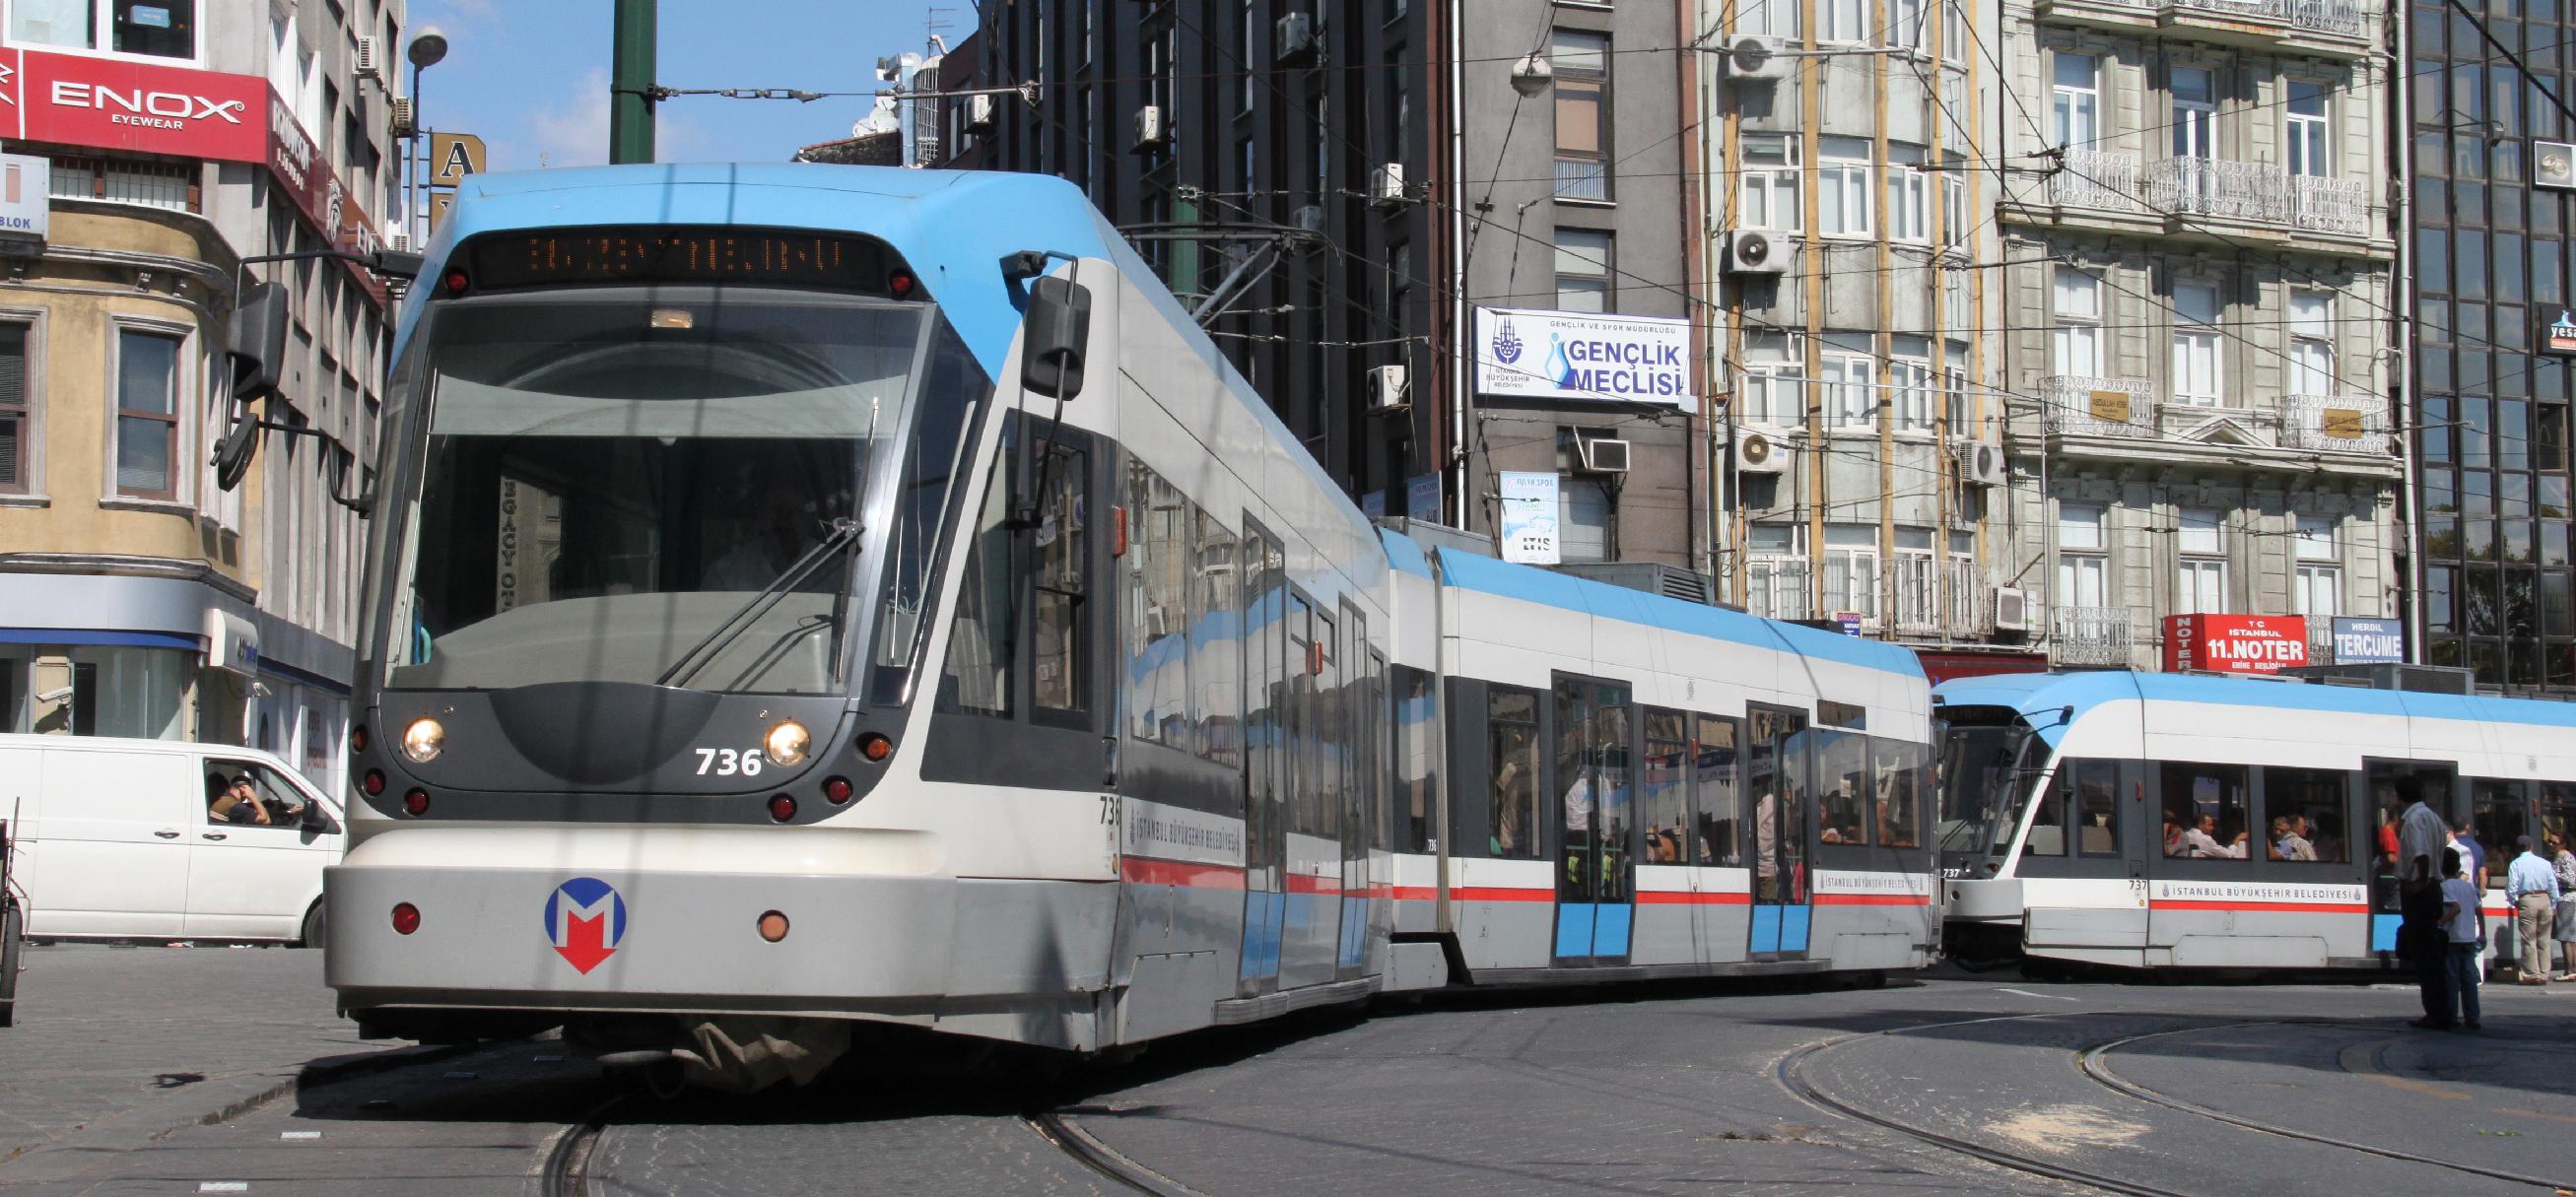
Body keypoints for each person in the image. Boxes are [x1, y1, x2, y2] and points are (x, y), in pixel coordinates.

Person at [2397, 777, 2454, 1029]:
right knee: (2432, 955)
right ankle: (2442, 1011)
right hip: (2434, 888)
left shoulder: (2413, 819)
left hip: (2421, 889)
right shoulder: (2433, 816)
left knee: (2424, 956)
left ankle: (2436, 1013)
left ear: (2399, 797)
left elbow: (2421, 854)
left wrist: (2420, 882)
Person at [2507, 833, 2562, 984]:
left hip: (2527, 899)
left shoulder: (2515, 864)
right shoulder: (2544, 863)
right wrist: (2553, 904)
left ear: (2518, 849)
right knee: (2544, 939)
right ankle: (2544, 973)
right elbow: (2552, 885)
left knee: (2528, 939)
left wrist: (2515, 902)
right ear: (2532, 847)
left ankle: (2532, 974)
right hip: (2544, 899)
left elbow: (2512, 888)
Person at [2441, 847, 2483, 1031]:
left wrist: (2438, 922)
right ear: (2458, 866)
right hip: (2469, 937)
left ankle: (2450, 1015)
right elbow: (2479, 911)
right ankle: (2472, 1017)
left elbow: (2455, 908)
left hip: (2452, 938)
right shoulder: (2468, 887)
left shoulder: (2444, 886)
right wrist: (2483, 932)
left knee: (2451, 979)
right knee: (2469, 980)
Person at [2551, 833, 2576, 981]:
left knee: (2565, 936)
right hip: (2566, 898)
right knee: (2569, 936)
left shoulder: (2565, 857)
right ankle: (2571, 969)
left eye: (2554, 842)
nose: (2550, 844)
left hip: (2567, 898)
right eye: (2549, 841)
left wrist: (2553, 874)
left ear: (2563, 844)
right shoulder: (2560, 857)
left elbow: (2572, 880)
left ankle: (2569, 970)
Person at [2178, 814, 2248, 859]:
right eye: (2210, 825)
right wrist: (2237, 840)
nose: (2213, 828)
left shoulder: (2185, 835)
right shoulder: (2204, 839)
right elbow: (2228, 855)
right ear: (2200, 825)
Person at [2456, 819, 2491, 893]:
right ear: (2467, 827)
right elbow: (2482, 875)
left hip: (2453, 894)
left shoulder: (2448, 846)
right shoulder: (2477, 847)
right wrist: (2482, 891)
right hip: (2472, 893)